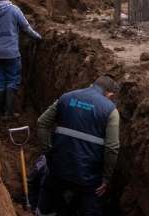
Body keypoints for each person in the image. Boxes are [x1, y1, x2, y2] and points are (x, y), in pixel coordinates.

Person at [36, 75, 121, 216]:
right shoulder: (111, 111)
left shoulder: (66, 98)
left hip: (58, 167)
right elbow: (112, 148)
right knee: (90, 208)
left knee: (48, 198)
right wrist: (106, 178)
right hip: (88, 175)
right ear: (110, 94)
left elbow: (42, 123)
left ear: (91, 85)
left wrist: (48, 152)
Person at [0, 0, 42, 118]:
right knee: (12, 80)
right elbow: (26, 28)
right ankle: (9, 113)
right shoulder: (14, 10)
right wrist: (38, 37)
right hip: (11, 54)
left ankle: (0, 112)